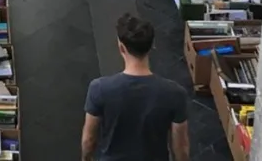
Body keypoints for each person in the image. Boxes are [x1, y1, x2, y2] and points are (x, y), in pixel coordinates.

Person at [81, 13, 189, 161]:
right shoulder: (175, 93)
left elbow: (89, 141)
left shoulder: (99, 89)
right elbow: (181, 148)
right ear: (151, 46)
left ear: (121, 48)